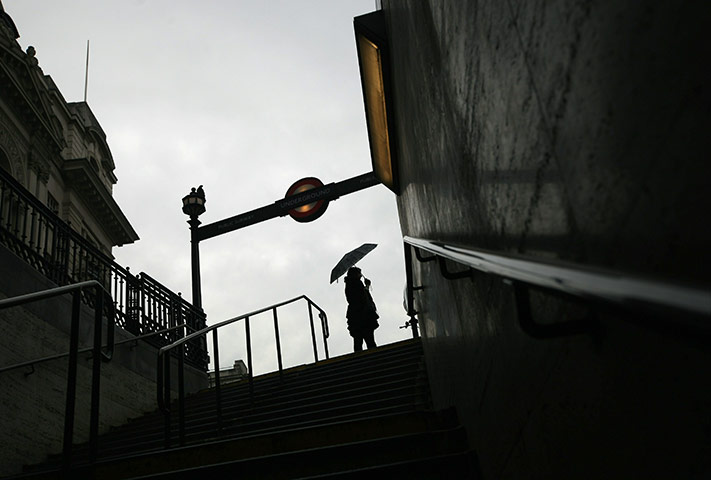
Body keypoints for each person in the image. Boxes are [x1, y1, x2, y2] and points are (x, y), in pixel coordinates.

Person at [344, 266, 379, 352]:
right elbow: (363, 297)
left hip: (355, 316)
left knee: (358, 341)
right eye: (359, 273)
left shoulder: (349, 284)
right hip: (363, 315)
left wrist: (366, 286)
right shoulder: (357, 283)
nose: (360, 275)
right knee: (369, 340)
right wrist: (366, 286)